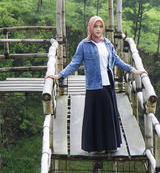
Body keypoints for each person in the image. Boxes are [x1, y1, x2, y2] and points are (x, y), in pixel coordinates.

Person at [45, 16, 147, 153]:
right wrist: (59, 75)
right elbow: (75, 63)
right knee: (96, 117)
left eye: (100, 26)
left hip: (108, 84)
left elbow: (116, 60)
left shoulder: (107, 43)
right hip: (94, 86)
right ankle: (97, 147)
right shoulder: (84, 45)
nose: (98, 29)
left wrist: (133, 69)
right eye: (95, 26)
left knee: (108, 115)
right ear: (91, 28)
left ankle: (110, 146)